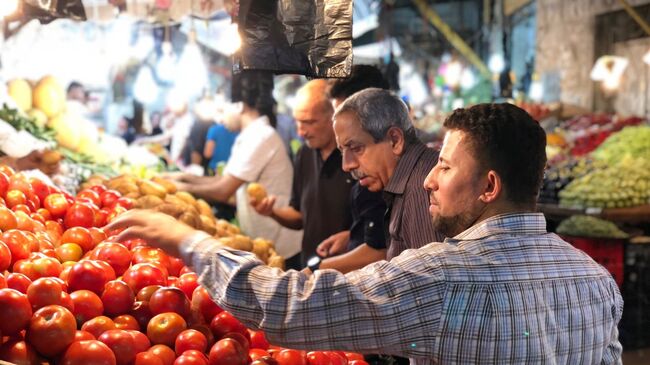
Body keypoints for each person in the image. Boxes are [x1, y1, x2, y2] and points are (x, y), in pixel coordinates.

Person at [107, 101, 623, 364]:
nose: (429, 177)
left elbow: (290, 306)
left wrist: (188, 241)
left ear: (488, 185)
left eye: (444, 166)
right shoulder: (596, 281)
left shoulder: (442, 277)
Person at [163, 72, 303, 269]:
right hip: (265, 240)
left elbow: (222, 189)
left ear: (239, 105)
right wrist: (181, 177)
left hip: (281, 249)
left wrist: (174, 186)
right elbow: (222, 180)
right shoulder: (249, 135)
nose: (220, 116)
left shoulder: (260, 136)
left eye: (224, 106)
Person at [251, 80, 354, 266]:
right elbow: (299, 216)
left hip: (351, 274)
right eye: (297, 122)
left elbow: (378, 226)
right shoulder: (304, 154)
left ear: (334, 116)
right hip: (310, 267)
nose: (300, 132)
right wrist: (272, 212)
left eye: (309, 122)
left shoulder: (355, 157)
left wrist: (353, 236)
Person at [334, 89, 444, 260]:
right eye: (343, 152)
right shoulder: (410, 180)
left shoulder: (420, 190)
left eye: (356, 148)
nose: (346, 165)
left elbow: (432, 282)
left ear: (395, 140)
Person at [312, 65, 391, 274]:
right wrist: (352, 236)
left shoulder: (379, 176)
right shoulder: (369, 172)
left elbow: (380, 251)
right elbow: (379, 233)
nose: (347, 165)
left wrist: (317, 269)